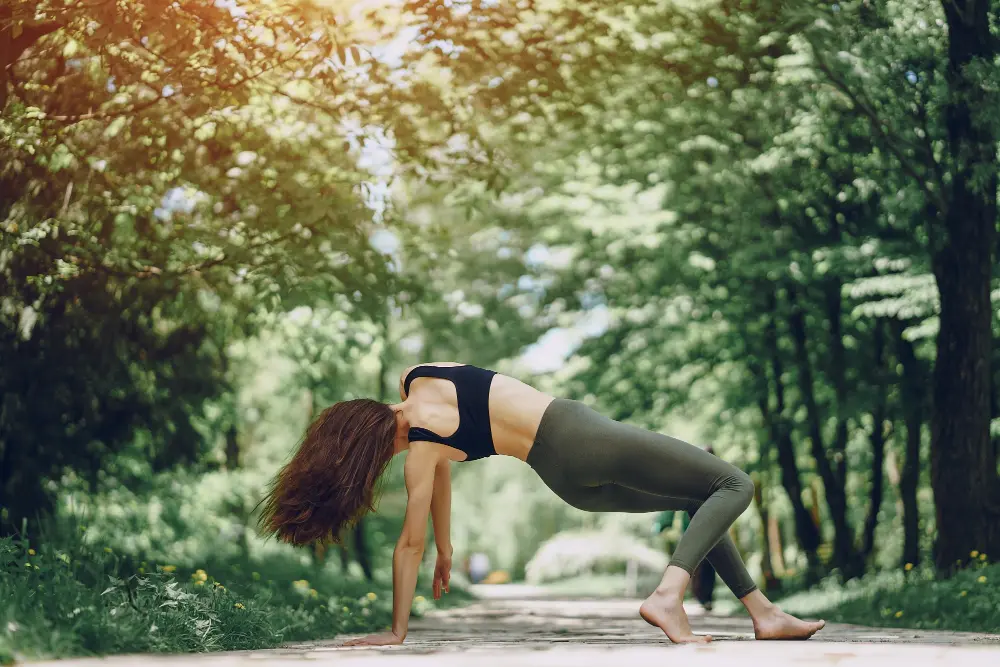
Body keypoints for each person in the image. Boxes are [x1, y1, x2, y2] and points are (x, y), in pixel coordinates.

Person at [257, 362, 825, 646]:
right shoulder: (420, 376)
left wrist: (401, 624)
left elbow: (412, 541)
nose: (397, 454)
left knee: (711, 495)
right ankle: (669, 595)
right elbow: (425, 509)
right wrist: (444, 546)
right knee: (735, 484)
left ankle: (763, 614)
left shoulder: (422, 451)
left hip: (562, 474)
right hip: (576, 433)